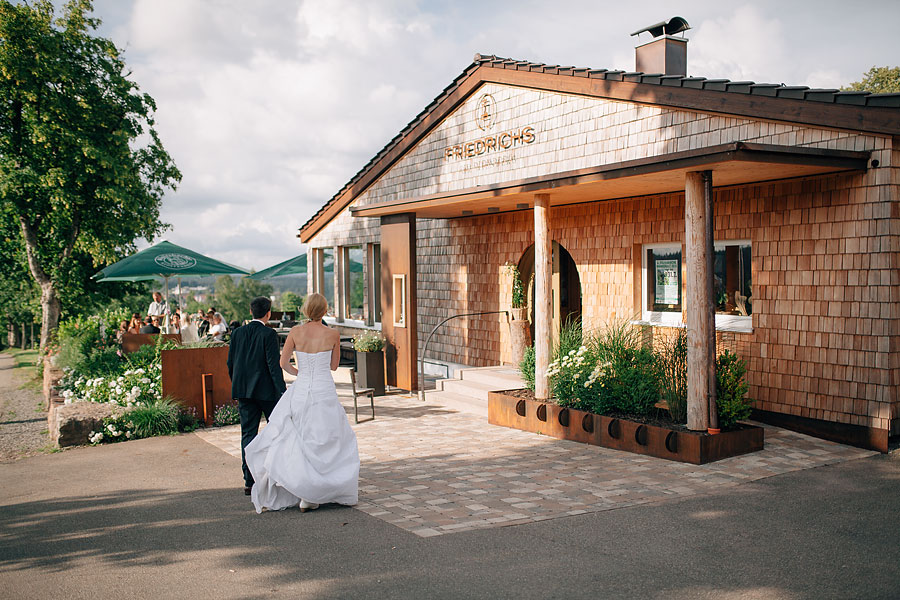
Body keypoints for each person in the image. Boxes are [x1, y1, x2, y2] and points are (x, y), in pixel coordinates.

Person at [245, 292, 359, 513]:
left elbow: (283, 363)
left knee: (301, 437)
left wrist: (301, 373)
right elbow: (334, 366)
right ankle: (318, 491)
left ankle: (306, 491)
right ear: (324, 310)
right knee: (328, 437)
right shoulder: (333, 333)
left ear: (305, 309)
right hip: (324, 390)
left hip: (302, 389)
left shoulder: (296, 332)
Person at [227, 297, 287, 497]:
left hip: (244, 391)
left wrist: (237, 384)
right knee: (278, 432)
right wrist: (282, 391)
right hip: (267, 392)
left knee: (248, 434)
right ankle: (278, 475)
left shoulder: (237, 333)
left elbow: (231, 363)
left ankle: (249, 481)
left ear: (250, 311)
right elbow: (273, 365)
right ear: (268, 313)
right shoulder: (269, 334)